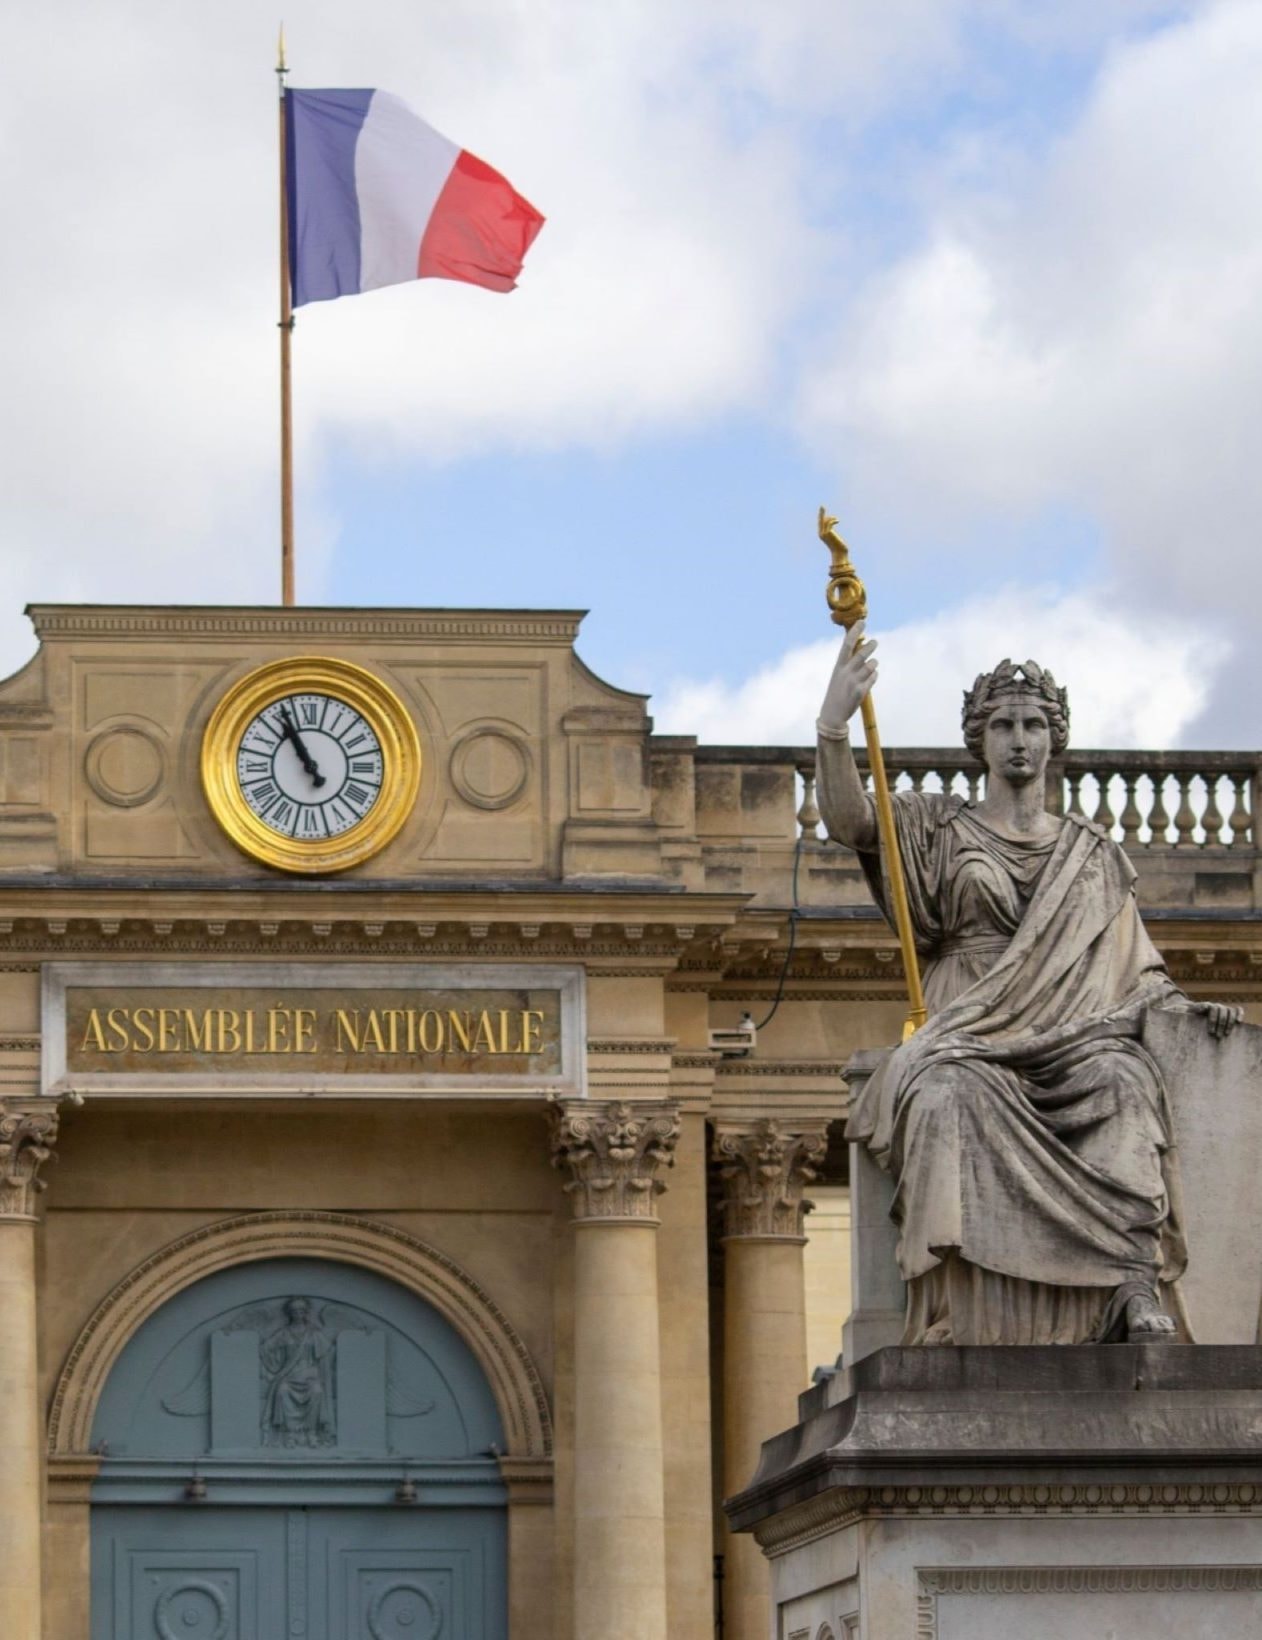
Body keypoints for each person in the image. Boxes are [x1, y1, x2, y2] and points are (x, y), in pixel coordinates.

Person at [817, 622, 1240, 1345]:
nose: (1020, 738)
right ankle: (959, 1304)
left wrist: (1191, 1013)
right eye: (1005, 724)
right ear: (978, 742)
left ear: (1054, 739)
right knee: (945, 1092)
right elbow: (854, 823)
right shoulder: (938, 828)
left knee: (1125, 1086)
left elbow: (1137, 972)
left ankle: (1131, 1288)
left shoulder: (1094, 854)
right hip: (968, 1028)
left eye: (1034, 724)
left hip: (1076, 1034)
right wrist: (834, 724)